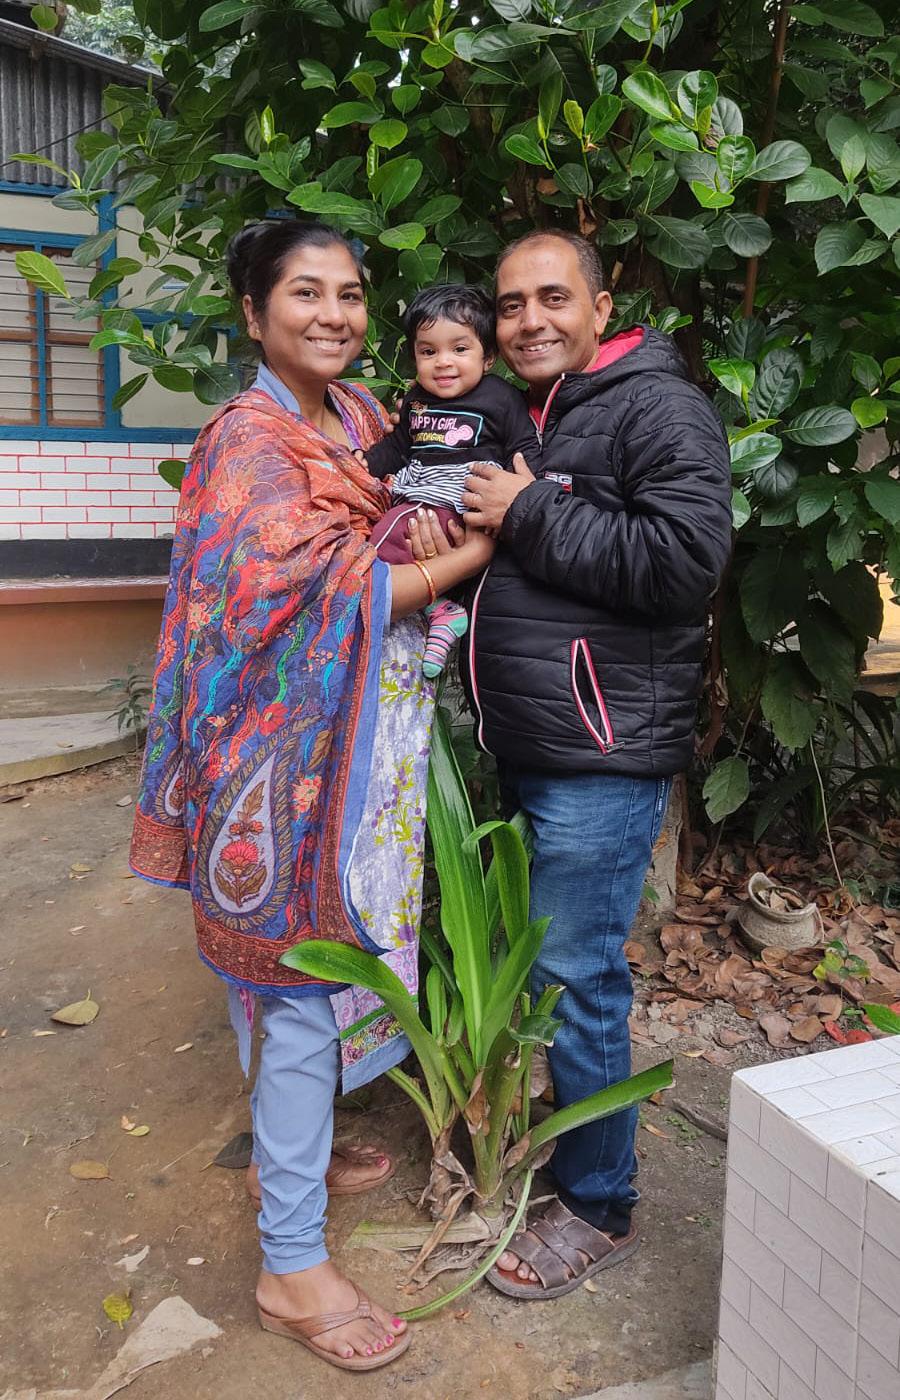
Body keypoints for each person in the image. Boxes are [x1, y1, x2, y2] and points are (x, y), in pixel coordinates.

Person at [129, 219, 493, 1370]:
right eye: (305, 292)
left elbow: (392, 518)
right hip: (274, 762)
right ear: (253, 312)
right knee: (289, 984)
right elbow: (337, 591)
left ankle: (300, 1146)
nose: (334, 313)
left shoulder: (360, 413)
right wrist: (473, 552)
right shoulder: (247, 441)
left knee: (318, 975)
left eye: (349, 293)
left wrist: (427, 523)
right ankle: (290, 1266)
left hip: (354, 748)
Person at [455, 230, 732, 1298]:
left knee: (578, 976)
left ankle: (600, 1204)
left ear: (602, 306)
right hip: (533, 741)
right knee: (550, 967)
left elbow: (682, 562)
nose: (528, 319)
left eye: (552, 297)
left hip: (600, 755)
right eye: (510, 303)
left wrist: (526, 510)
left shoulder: (658, 407)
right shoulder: (529, 410)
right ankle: (575, 1134)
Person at [365, 283, 539, 677]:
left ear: (488, 357)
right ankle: (439, 610)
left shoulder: (500, 397)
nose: (443, 362)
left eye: (459, 349)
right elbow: (397, 447)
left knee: (374, 549)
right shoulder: (416, 400)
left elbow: (523, 448)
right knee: (400, 541)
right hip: (421, 496)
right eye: (428, 352)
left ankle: (370, 611)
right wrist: (363, 462)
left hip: (460, 499)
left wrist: (535, 491)